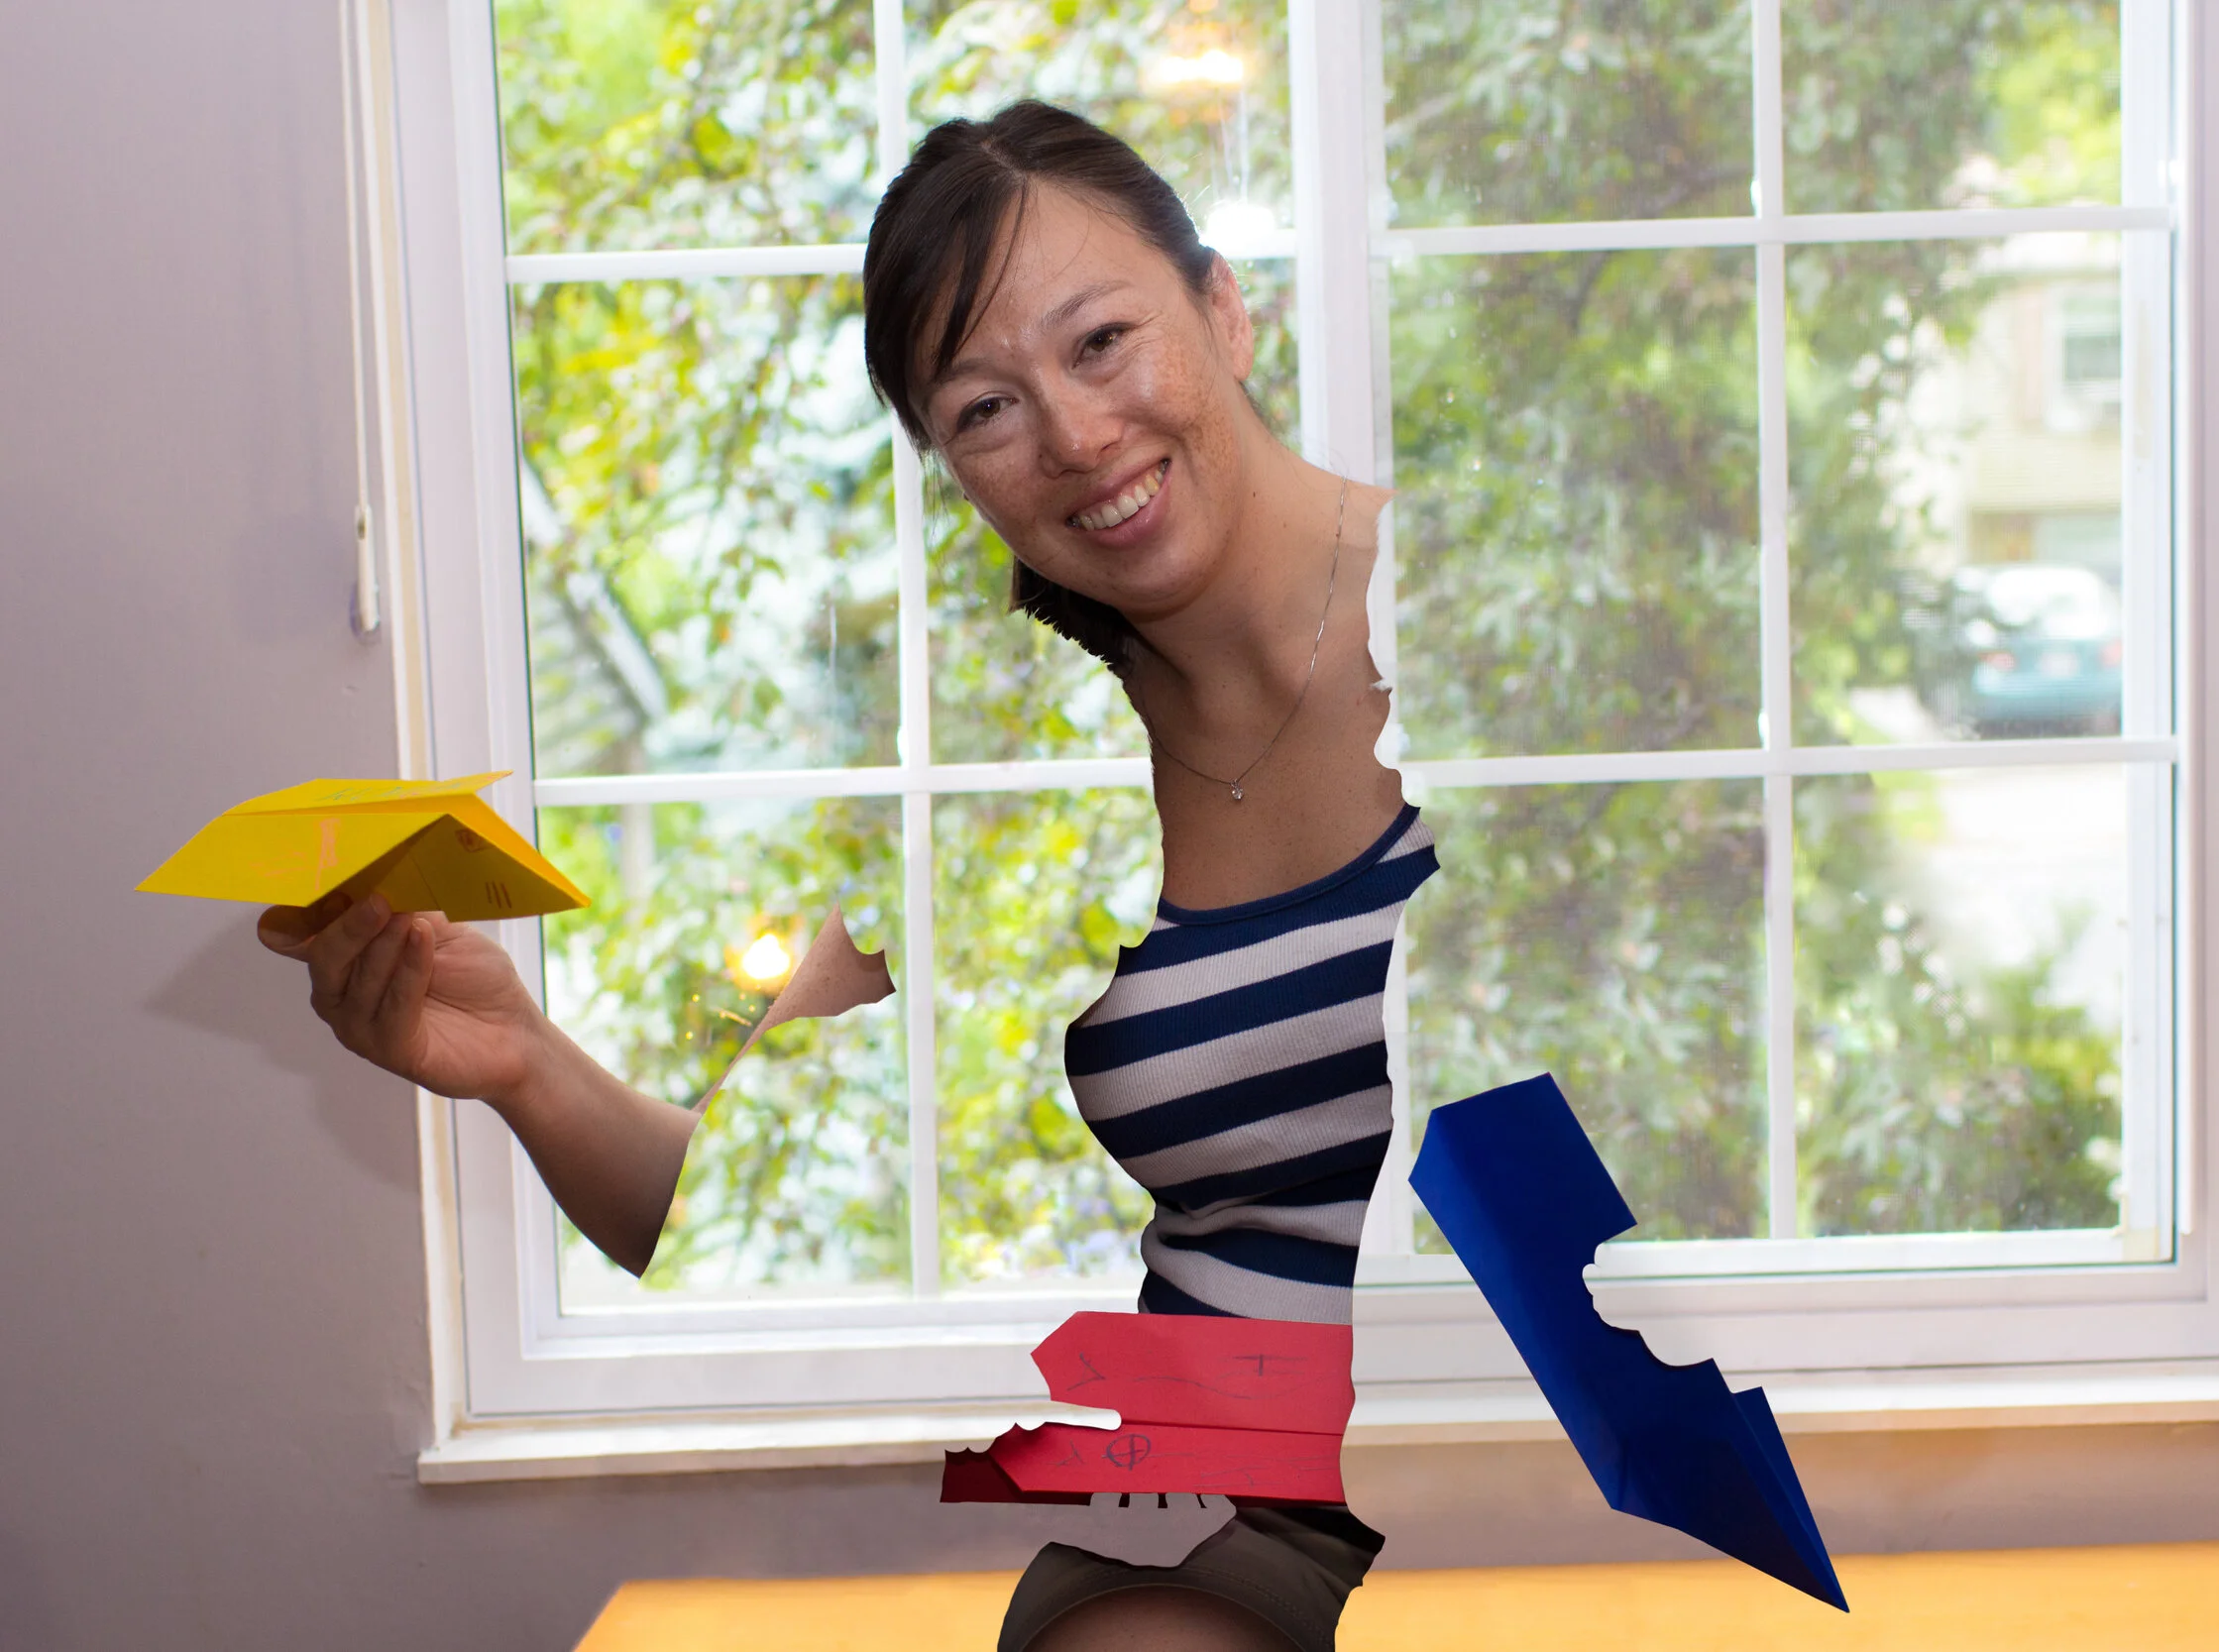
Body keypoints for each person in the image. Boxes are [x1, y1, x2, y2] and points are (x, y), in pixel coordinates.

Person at [261, 100, 1427, 1652]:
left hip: (1559, 1440)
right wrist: (522, 1057)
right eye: (985, 408)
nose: (1077, 438)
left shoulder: (1488, 627)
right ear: (950, 468)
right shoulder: (983, 769)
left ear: (1223, 307)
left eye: (1102, 342)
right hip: (1234, 1519)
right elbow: (708, 1181)